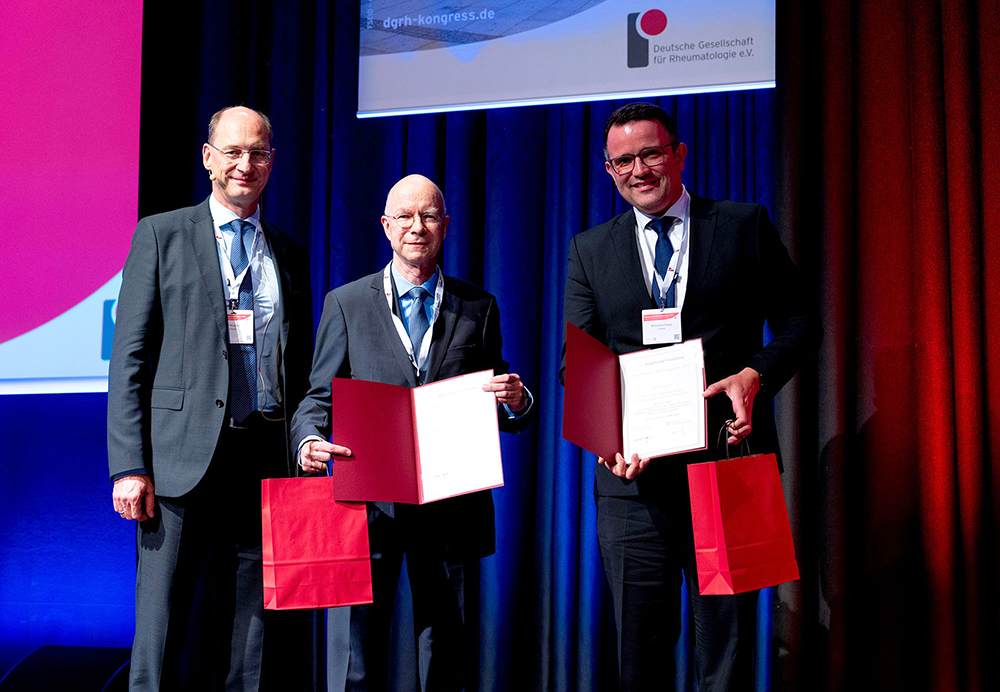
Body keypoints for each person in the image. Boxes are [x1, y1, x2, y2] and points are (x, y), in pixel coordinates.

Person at [562, 102, 821, 691]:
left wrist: (755, 374)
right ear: (608, 169)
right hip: (633, 483)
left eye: (651, 153)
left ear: (679, 153)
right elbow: (577, 367)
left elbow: (802, 322)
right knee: (640, 652)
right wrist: (607, 438)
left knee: (725, 652)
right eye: (623, 160)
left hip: (728, 468)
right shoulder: (589, 250)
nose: (639, 169)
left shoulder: (741, 224)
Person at [291, 174, 535, 692]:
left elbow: (498, 389)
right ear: (385, 226)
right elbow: (319, 396)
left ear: (445, 227)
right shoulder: (346, 303)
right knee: (359, 653)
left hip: (450, 506)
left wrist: (517, 401)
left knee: (446, 651)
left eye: (428, 216)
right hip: (370, 504)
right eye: (404, 216)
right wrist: (309, 440)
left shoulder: (479, 306)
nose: (416, 227)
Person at [107, 106, 313, 691]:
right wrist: (129, 465)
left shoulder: (289, 252)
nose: (245, 164)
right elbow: (131, 357)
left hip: (263, 459)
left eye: (258, 153)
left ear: (272, 162)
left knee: (254, 633)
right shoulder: (161, 234)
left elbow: (297, 369)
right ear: (208, 157)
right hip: (177, 462)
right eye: (233, 151)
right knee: (162, 626)